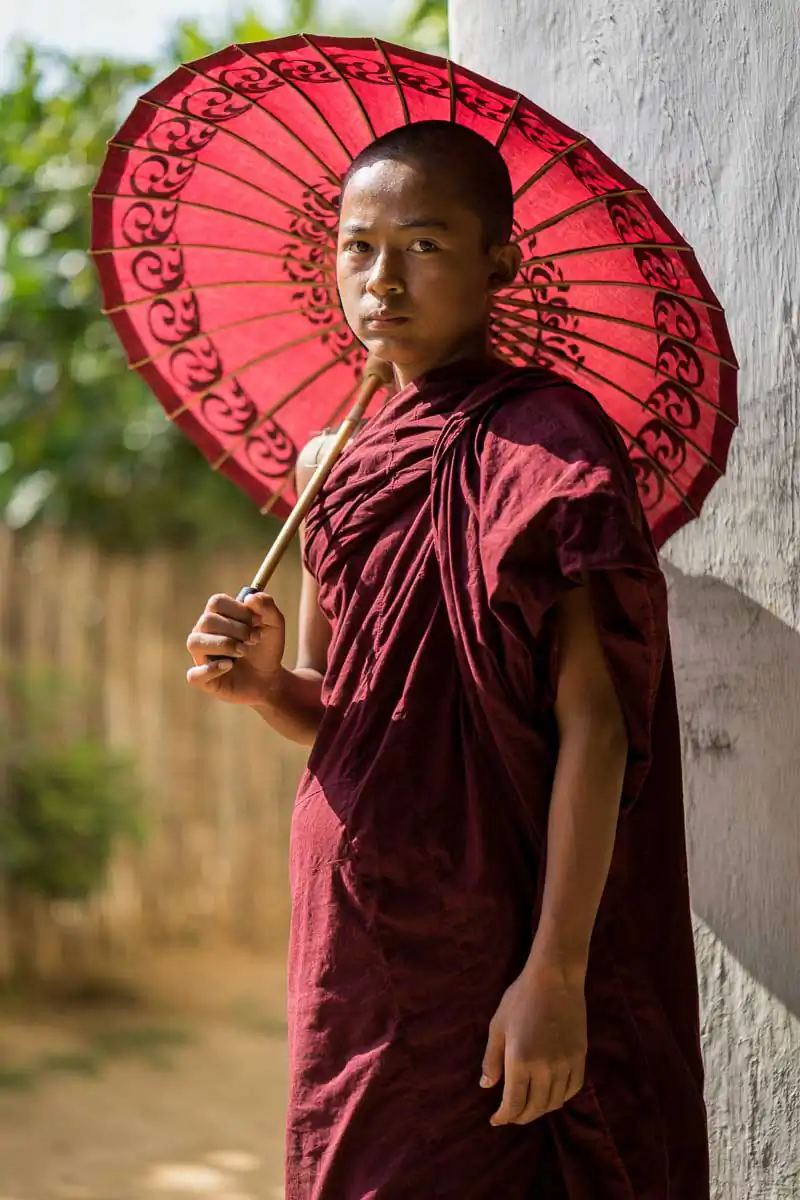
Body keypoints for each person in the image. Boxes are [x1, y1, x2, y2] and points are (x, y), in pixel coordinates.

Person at [186, 121, 708, 1199]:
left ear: (497, 263)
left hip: (490, 920)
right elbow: (348, 710)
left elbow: (596, 724)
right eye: (358, 246)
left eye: (422, 246)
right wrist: (266, 686)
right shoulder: (333, 459)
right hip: (354, 918)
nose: (381, 280)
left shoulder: (544, 442)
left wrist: (555, 970)